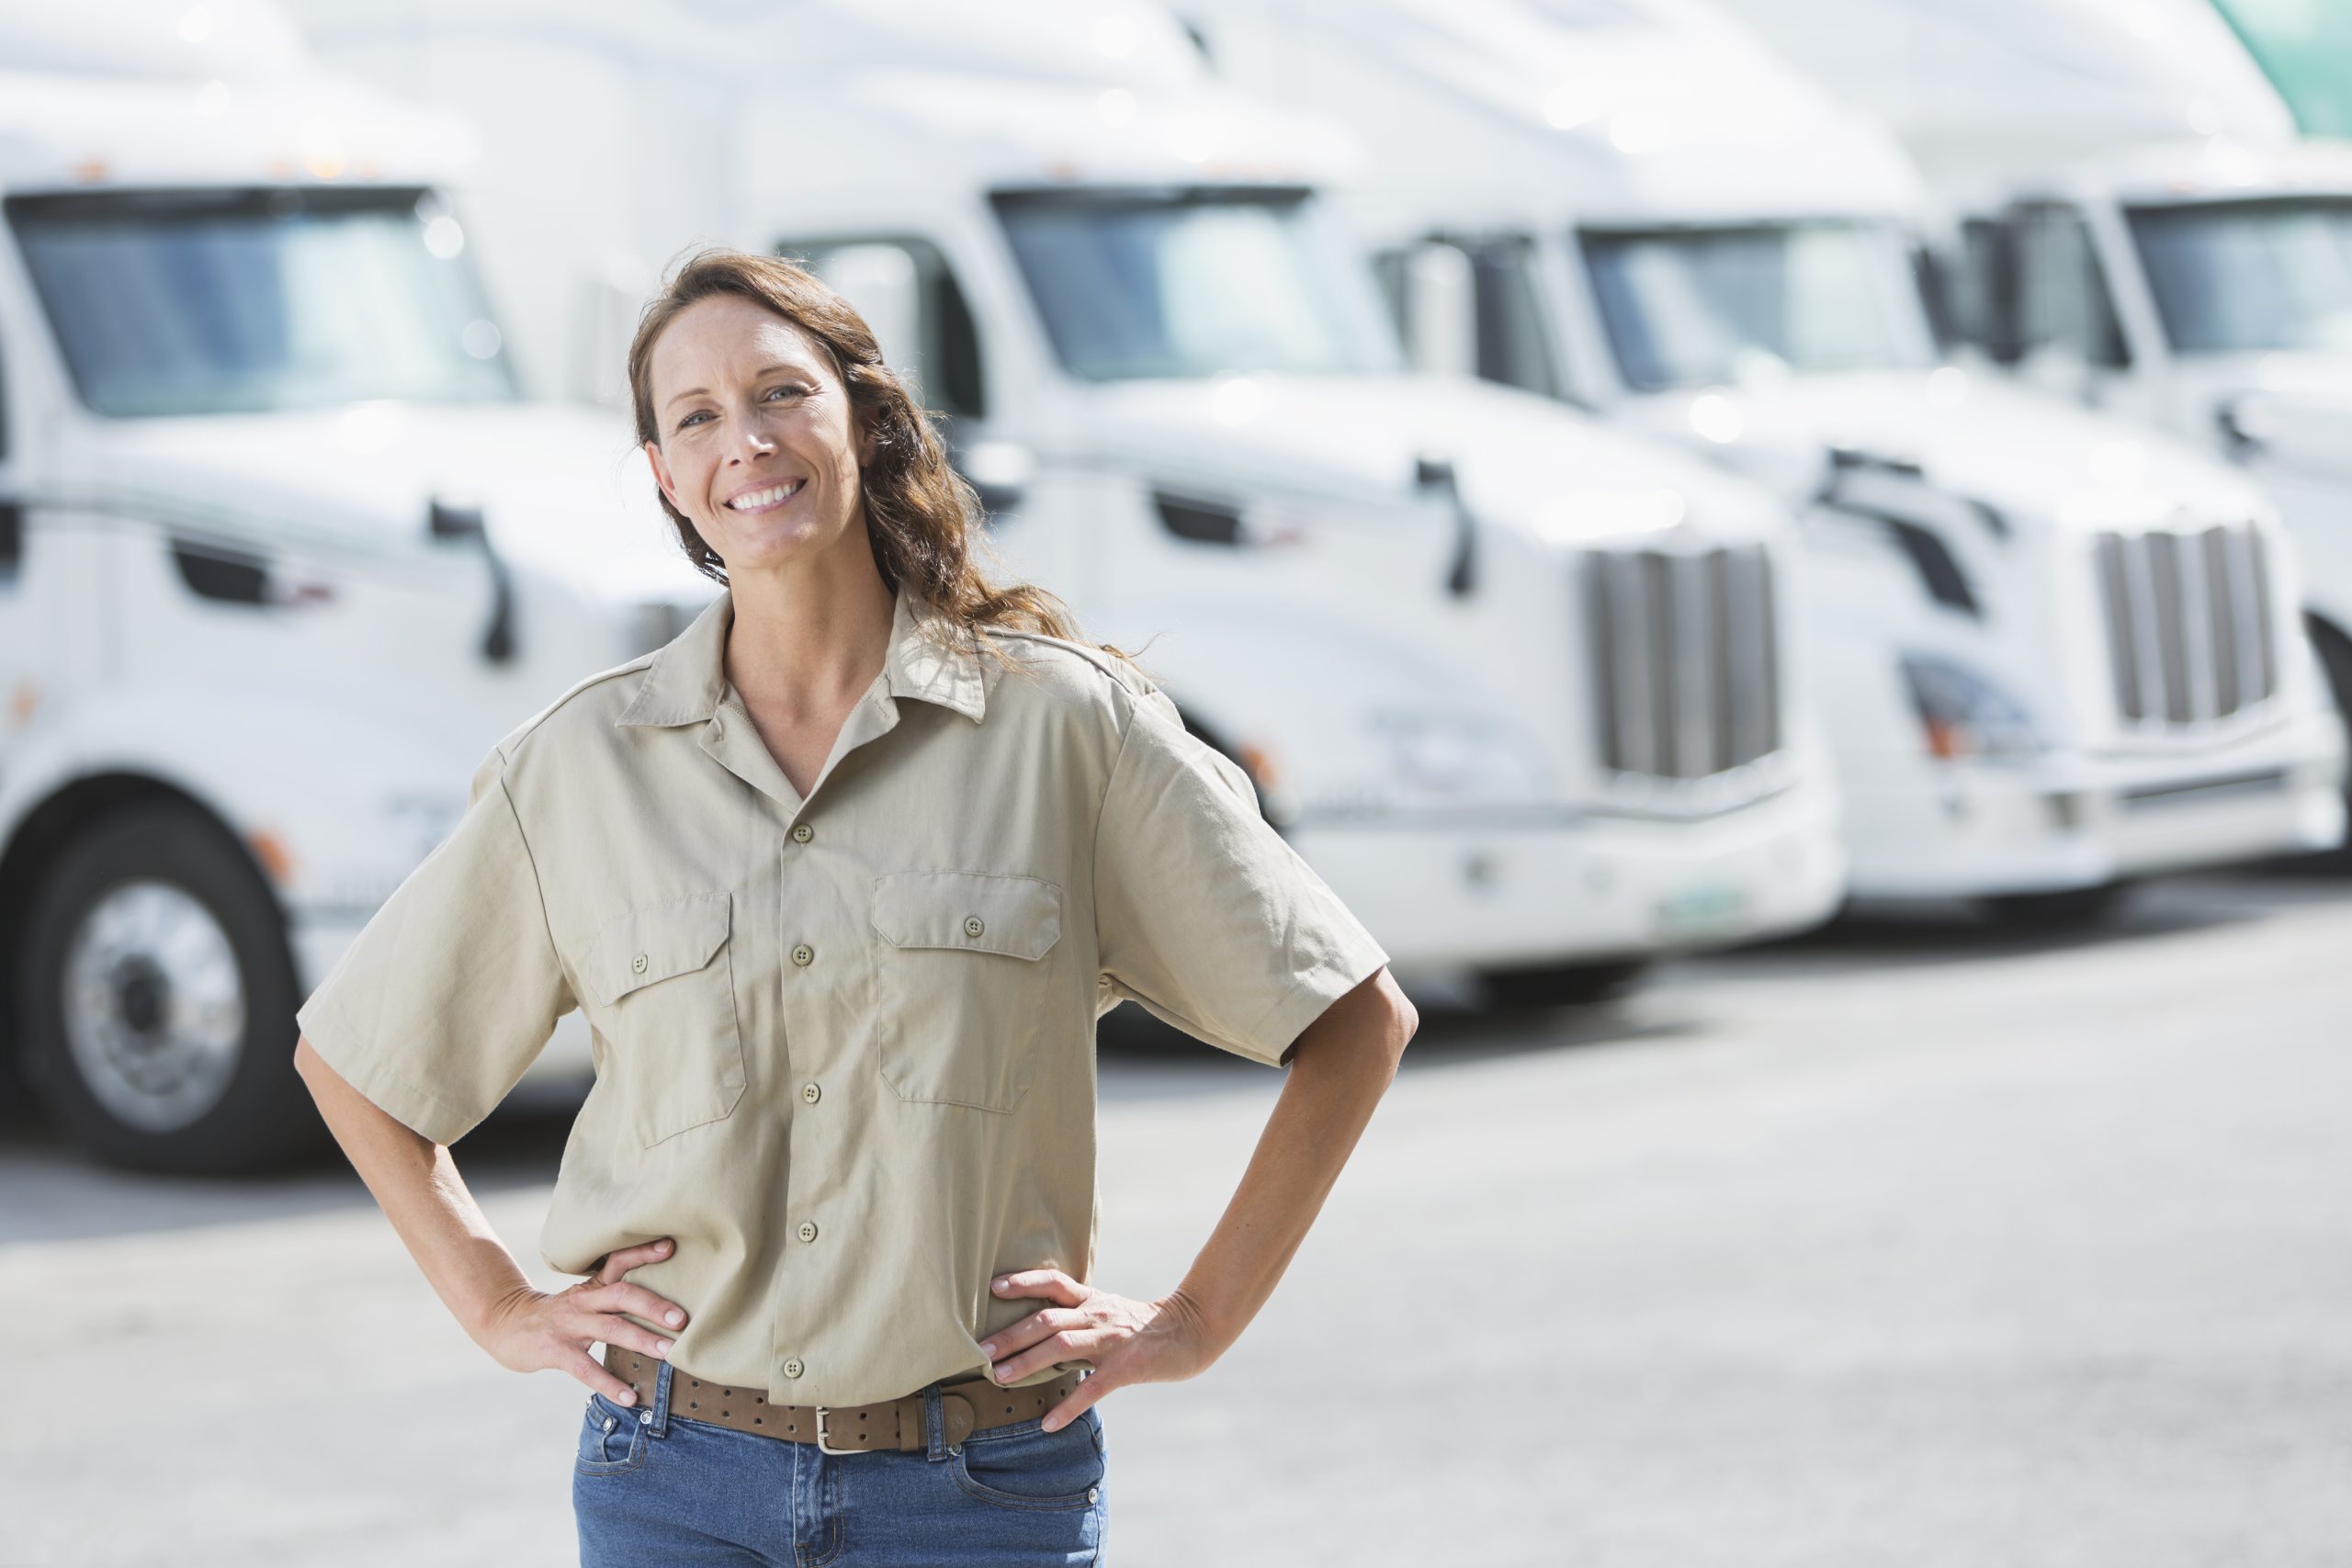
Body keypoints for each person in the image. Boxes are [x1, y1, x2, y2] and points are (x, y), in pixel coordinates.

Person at [291, 245, 1417, 1566]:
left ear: (865, 421)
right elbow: (356, 1065)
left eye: (781, 393)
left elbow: (1353, 1019)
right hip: (671, 1484)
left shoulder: (1063, 732)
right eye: (696, 416)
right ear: (663, 475)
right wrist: (492, 1303)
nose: (746, 441)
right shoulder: (581, 770)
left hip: (979, 1495)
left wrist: (1194, 1321)